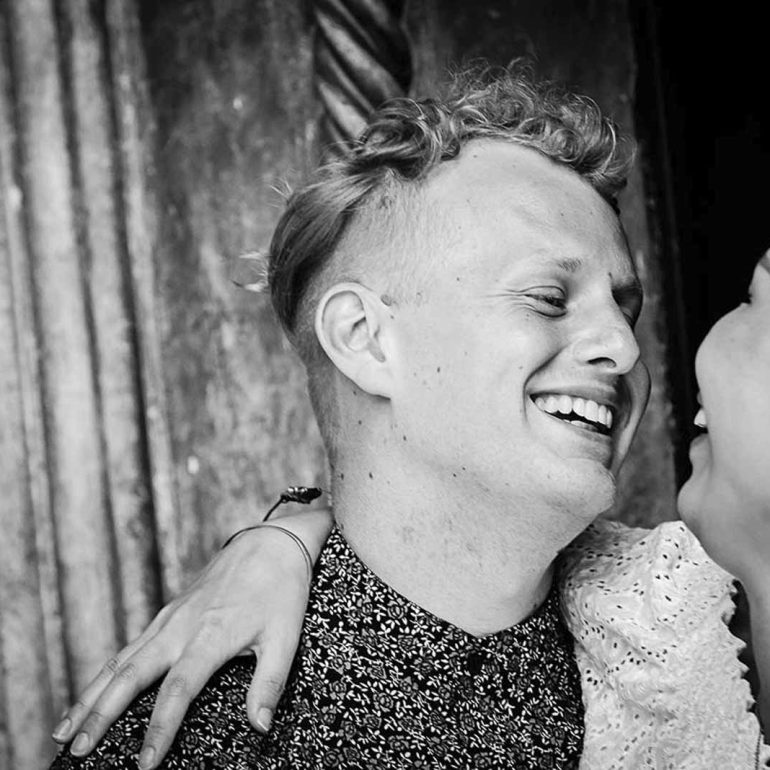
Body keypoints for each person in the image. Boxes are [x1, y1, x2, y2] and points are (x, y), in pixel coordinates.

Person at [50, 65, 770, 768]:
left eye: (626, 309)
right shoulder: (199, 741)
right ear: (365, 341)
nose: (624, 348)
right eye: (548, 299)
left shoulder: (710, 630)